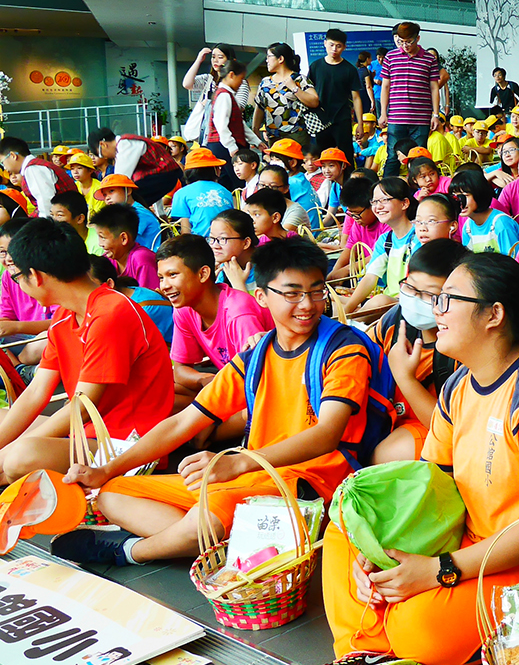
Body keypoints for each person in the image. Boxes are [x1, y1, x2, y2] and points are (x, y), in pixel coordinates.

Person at [267, 253, 519, 665]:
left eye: (448, 299)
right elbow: (430, 488)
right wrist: (382, 551)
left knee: (417, 630)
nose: (436, 310)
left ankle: (394, 643)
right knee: (345, 532)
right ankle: (363, 655)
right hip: (477, 545)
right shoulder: (458, 386)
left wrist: (440, 570)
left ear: (494, 315)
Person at [57, 240, 374, 565]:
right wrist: (106, 470)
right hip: (251, 475)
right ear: (262, 297)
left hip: (310, 482)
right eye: (292, 293)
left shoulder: (343, 348)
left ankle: (128, 552)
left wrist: (240, 462)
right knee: (113, 494)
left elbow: (328, 434)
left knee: (204, 519)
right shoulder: (255, 356)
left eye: (316, 291)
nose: (307, 304)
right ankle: (226, 544)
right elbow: (184, 422)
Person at [0, 219, 172, 484]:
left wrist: (19, 445)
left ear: (35, 276)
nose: (19, 284)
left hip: (126, 445)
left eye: (18, 277)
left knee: (19, 456)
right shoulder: (64, 314)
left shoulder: (112, 313)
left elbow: (82, 407)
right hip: (85, 433)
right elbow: (36, 392)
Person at [364, 238, 469, 464]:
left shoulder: (460, 348)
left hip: (429, 429)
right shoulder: (395, 321)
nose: (414, 300)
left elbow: (449, 428)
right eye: (410, 287)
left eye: (429, 295)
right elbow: (363, 355)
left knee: (385, 455)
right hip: (385, 416)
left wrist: (405, 377)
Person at [155, 234, 270, 405]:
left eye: (173, 275)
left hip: (258, 394)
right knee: (158, 392)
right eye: (161, 277)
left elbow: (256, 381)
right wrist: (205, 379)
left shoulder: (238, 312)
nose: (164, 286)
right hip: (226, 384)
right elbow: (179, 371)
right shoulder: (184, 308)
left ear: (203, 274)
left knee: (189, 423)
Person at [344, 178, 418, 314]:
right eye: (374, 201)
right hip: (389, 301)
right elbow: (370, 277)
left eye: (384, 200)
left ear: (404, 203)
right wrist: (347, 310)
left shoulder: (419, 236)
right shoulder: (385, 240)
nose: (378, 207)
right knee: (334, 302)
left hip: (408, 303)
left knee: (380, 301)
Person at [380, 22, 441, 179]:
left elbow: (434, 88)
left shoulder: (429, 59)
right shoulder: (390, 57)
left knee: (419, 158)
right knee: (393, 157)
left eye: (409, 41)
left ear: (418, 38)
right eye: (401, 41)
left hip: (421, 119)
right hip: (396, 117)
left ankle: (419, 193)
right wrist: (383, 113)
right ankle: (388, 193)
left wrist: (435, 114)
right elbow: (385, 87)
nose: (405, 45)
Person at [307, 28, 365, 162]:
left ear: (344, 47)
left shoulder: (349, 69)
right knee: (322, 156)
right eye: (331, 45)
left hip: (342, 118)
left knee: (346, 156)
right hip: (320, 119)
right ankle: (324, 183)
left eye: (338, 46)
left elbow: (356, 98)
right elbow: (309, 92)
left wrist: (360, 124)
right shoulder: (315, 66)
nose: (334, 49)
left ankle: (347, 182)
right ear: (325, 43)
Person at [88, 127, 182, 210]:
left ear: (103, 145)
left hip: (167, 175)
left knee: (129, 200)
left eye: (101, 155)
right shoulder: (124, 147)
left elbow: (119, 181)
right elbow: (150, 185)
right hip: (165, 176)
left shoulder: (126, 145)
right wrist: (160, 213)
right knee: (134, 200)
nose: (105, 158)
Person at [0, 217, 55, 343]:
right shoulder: (7, 277)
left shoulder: (50, 275)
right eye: (3, 252)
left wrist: (17, 327)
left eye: (14, 251)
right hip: (22, 339)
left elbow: (61, 322)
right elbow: (7, 317)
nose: (8, 258)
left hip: (47, 338)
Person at [252, 41, 318, 143]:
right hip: (274, 136)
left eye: (269, 56)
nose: (266, 60)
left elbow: (314, 101)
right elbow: (259, 107)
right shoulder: (265, 82)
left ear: (280, 59)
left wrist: (294, 88)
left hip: (297, 136)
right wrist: (255, 130)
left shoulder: (299, 79)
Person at [448, 169, 519, 255]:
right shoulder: (468, 227)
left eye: (465, 196)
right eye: (456, 197)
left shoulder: (501, 224)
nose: (460, 202)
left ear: (479, 194)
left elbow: (514, 260)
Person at [0, 136, 77, 218]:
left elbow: (46, 204)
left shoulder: (33, 169)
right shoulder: (35, 166)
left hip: (66, 219)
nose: (4, 167)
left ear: (13, 156)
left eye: (2, 162)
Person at [92, 203, 160, 290]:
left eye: (103, 238)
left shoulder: (141, 260)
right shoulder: (108, 260)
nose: (100, 244)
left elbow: (149, 300)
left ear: (123, 238)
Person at [169, 148, 232, 240]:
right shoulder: (225, 191)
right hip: (226, 240)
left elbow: (186, 230)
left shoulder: (182, 193)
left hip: (199, 243)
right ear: (213, 170)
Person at [93, 173, 162, 253]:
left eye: (111, 191)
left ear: (128, 191)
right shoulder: (124, 214)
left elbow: (123, 243)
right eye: (105, 195)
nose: (107, 197)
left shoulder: (140, 213)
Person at [266, 138, 322, 226]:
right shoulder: (300, 178)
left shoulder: (292, 183)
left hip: (303, 233)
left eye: (278, 160)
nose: (273, 163)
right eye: (272, 159)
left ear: (293, 163)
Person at [207, 209, 261, 293]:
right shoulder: (223, 269)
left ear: (246, 243)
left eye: (222, 239)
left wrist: (238, 285)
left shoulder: (269, 271)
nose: (214, 246)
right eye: (212, 238)